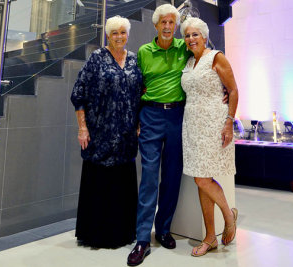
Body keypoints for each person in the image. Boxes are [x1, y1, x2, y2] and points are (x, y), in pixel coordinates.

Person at [127, 4, 191, 266]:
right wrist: (137, 119)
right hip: (151, 117)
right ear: (155, 25)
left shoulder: (183, 47)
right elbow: (138, 86)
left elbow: (205, 64)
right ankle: (142, 238)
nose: (167, 27)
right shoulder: (144, 51)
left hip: (177, 117)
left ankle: (163, 229)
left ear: (175, 26)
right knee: (150, 178)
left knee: (172, 176)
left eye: (171, 23)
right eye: (163, 22)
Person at [70, 16, 143, 249]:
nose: (119, 37)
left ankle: (123, 233)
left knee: (122, 186)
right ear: (107, 36)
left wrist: (139, 123)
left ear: (127, 34)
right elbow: (79, 93)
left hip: (126, 136)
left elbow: (142, 93)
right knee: (99, 185)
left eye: (123, 32)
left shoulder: (134, 60)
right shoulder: (97, 58)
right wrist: (82, 128)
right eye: (114, 33)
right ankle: (96, 235)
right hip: (99, 134)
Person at [180, 17, 239, 257]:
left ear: (204, 37)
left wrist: (229, 122)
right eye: (187, 35)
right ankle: (209, 237)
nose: (191, 38)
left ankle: (228, 215)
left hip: (214, 123)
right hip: (192, 125)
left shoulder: (216, 57)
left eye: (195, 34)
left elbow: (233, 90)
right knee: (201, 179)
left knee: (203, 180)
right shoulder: (188, 62)